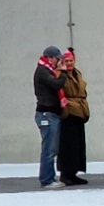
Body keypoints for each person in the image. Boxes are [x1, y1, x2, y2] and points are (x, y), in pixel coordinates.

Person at [56, 48, 90, 186]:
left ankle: (74, 172)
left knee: (78, 145)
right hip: (69, 112)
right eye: (67, 61)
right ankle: (66, 173)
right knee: (67, 145)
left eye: (71, 60)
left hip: (79, 111)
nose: (69, 63)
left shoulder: (77, 73)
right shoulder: (60, 74)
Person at [33, 47, 66, 189]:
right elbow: (56, 84)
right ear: (49, 58)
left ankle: (49, 177)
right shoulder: (42, 71)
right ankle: (47, 179)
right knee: (49, 149)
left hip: (51, 113)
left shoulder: (46, 70)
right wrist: (63, 72)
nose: (58, 61)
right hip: (47, 114)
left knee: (51, 148)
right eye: (57, 58)